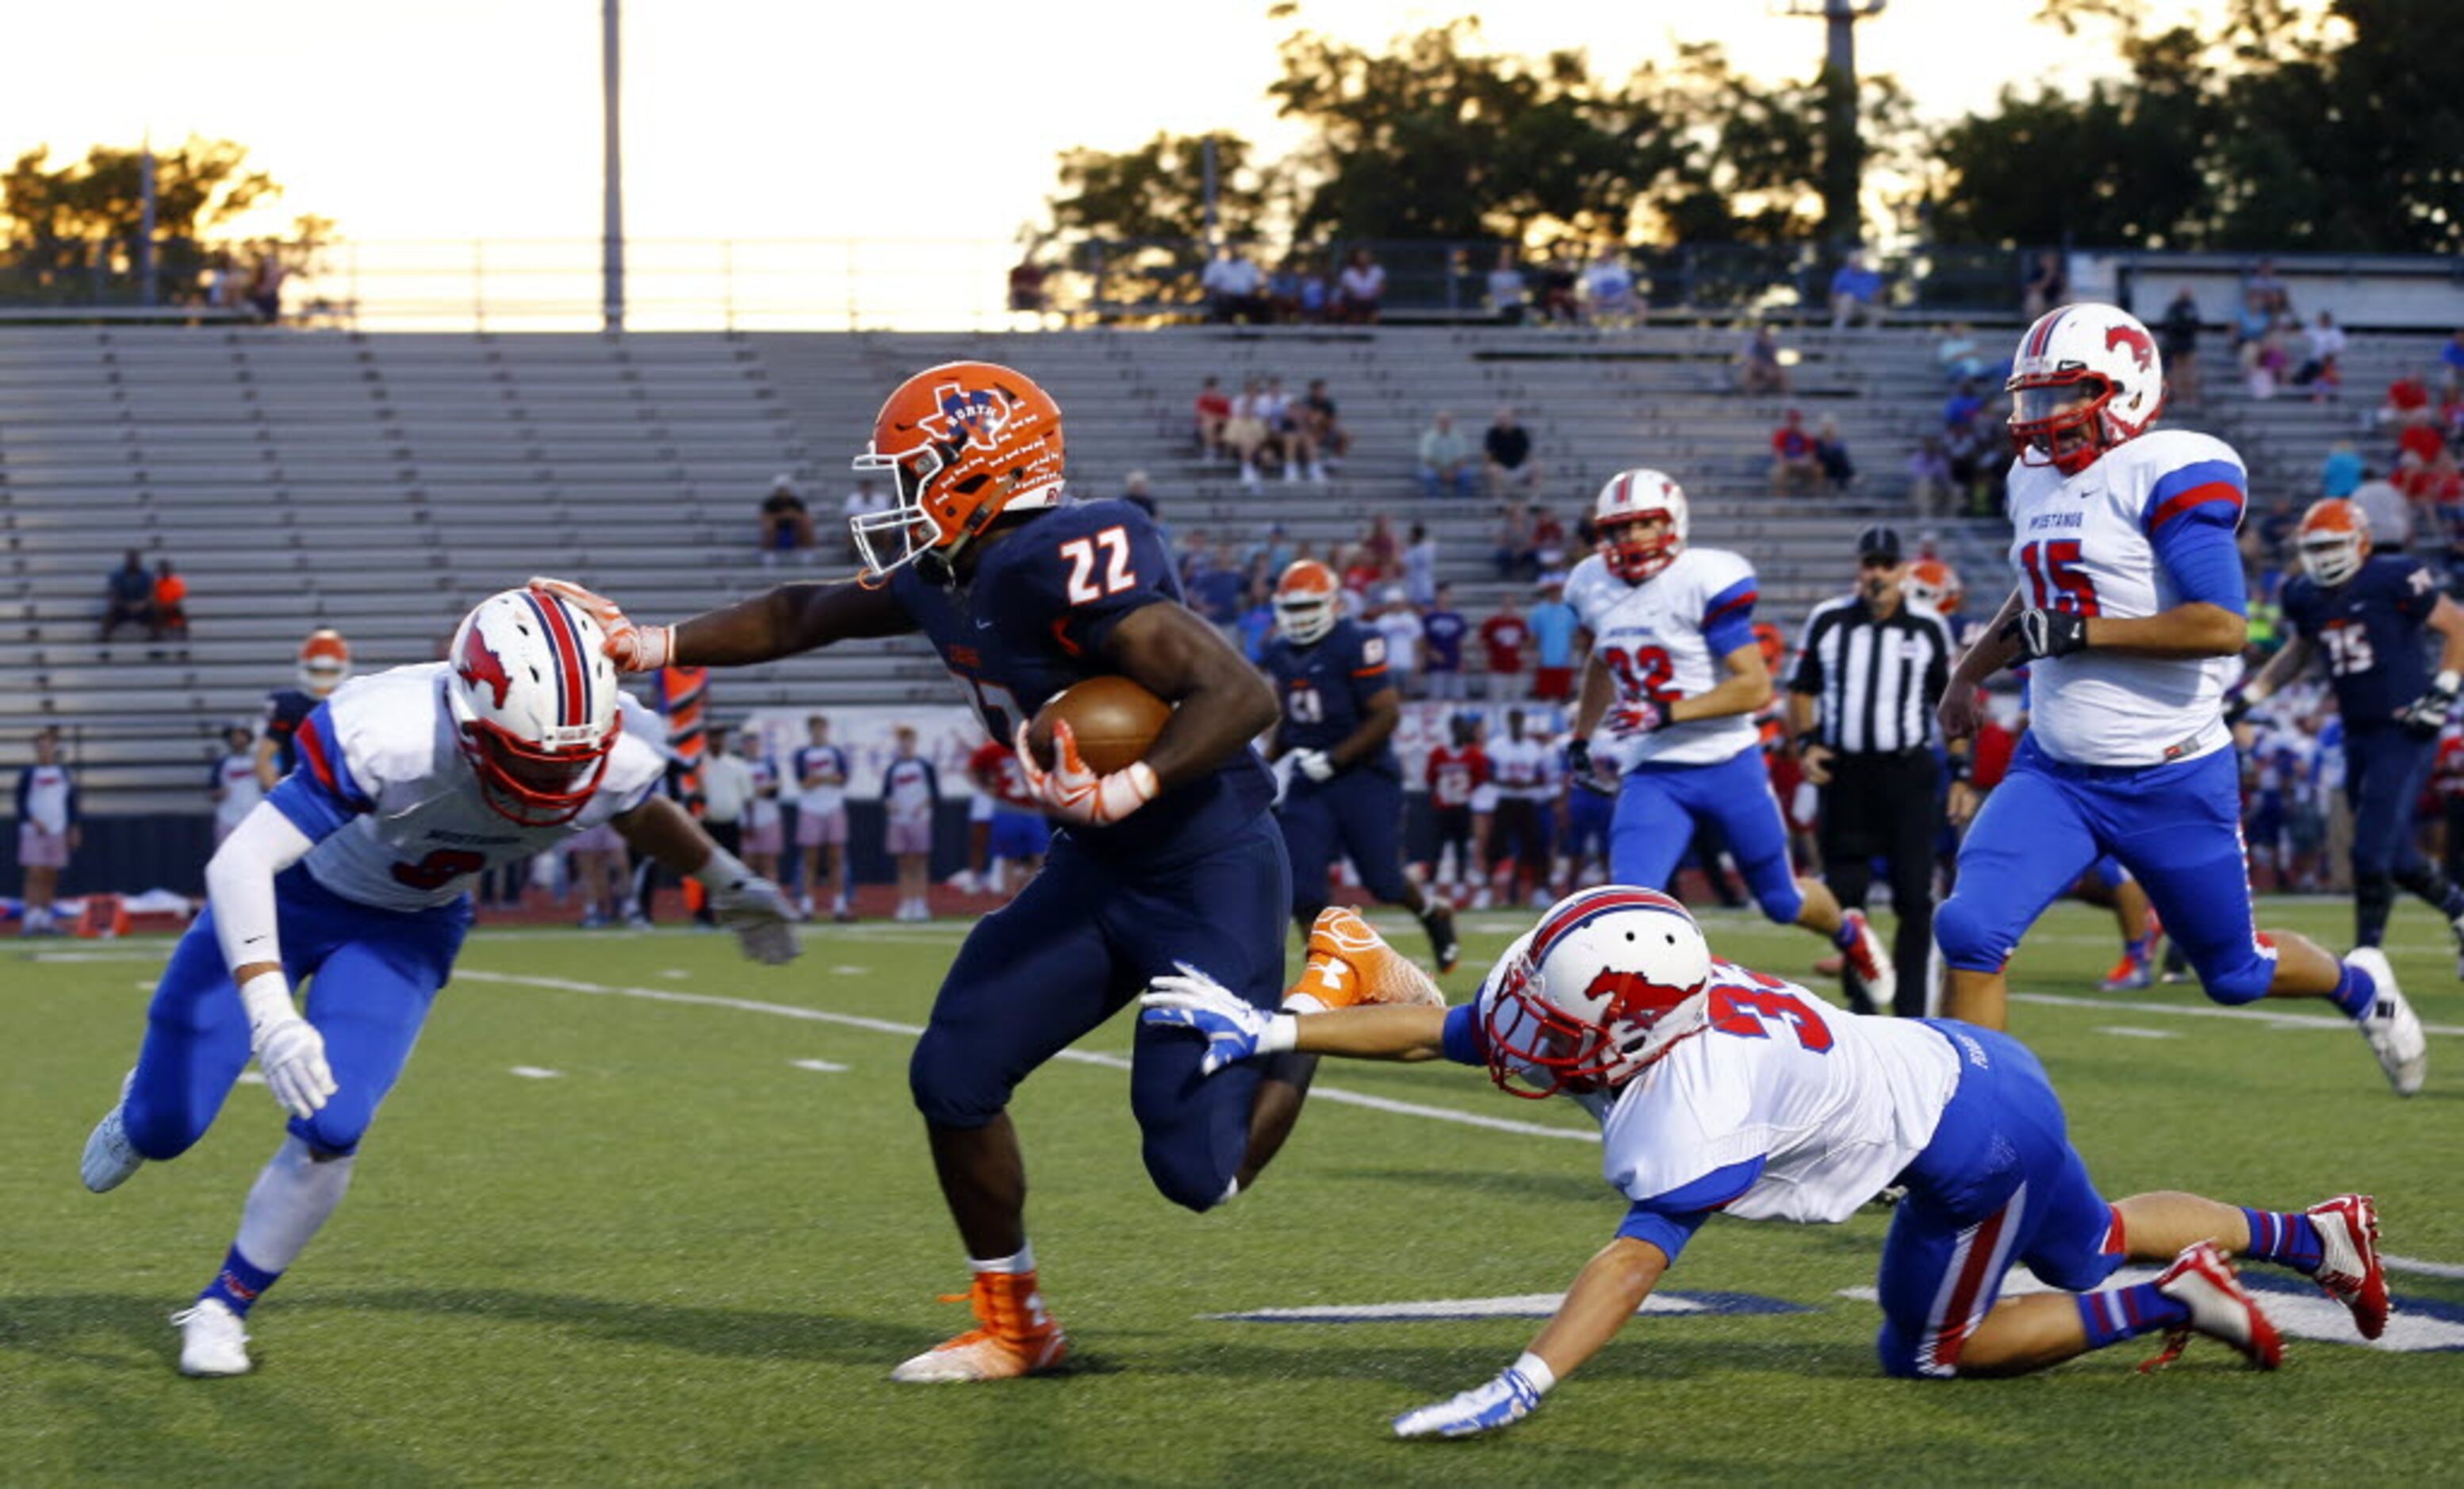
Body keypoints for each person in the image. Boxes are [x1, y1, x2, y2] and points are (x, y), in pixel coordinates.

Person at [538, 360, 1412, 1384]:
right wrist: (643, 642)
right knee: (952, 1075)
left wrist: (1131, 785)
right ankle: (1015, 1321)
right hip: (1094, 871)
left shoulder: (1064, 554)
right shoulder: (950, 570)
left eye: (914, 471)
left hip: (1205, 867)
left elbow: (1240, 693)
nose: (898, 496)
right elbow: (798, 614)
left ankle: (1333, 972)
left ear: (983, 467)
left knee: (1200, 1173)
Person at [1138, 888, 2393, 1437]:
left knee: (1928, 1349)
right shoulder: (1658, 1000)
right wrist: (1278, 1026)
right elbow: (1454, 1027)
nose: (1520, 1028)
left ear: (1630, 1026)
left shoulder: (1691, 1097)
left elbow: (1632, 1260)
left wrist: (1523, 1378)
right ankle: (2313, 1235)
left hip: (1964, 1141)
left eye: (1557, 1020)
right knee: (2096, 1226)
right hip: (1964, 1063)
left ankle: (2169, 1299)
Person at [77, 586, 797, 1376]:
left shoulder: (611, 748)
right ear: (470, 716)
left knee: (336, 1122)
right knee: (166, 1127)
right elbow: (242, 861)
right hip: (291, 898)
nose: (550, 783)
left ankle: (224, 1303)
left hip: (407, 924)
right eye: (528, 759)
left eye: (566, 762)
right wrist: (272, 1016)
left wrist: (728, 880)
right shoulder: (388, 731)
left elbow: (634, 807)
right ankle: (142, 1105)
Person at [1933, 304, 2427, 1097]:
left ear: (2126, 390)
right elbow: (2036, 595)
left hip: (2170, 777)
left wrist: (2079, 633)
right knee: (1968, 928)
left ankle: (2358, 986)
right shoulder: (2031, 478)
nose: (2044, 418)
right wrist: (1968, 672)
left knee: (2231, 974)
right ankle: (1972, 1136)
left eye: (2067, 394)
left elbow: (2219, 624)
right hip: (2055, 771)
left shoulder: (2165, 468)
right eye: (2034, 398)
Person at [1565, 469, 1897, 1008]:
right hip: (1653, 772)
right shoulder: (1590, 584)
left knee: (1780, 901)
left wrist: (1666, 712)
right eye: (1620, 529)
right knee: (1630, 903)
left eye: (1645, 525)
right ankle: (1641, 1022)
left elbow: (1755, 687)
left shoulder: (1702, 578)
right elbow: (1601, 660)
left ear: (1672, 523)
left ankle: (1848, 932)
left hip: (1727, 762)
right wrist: (1581, 736)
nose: (1632, 540)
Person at [2236, 498, 2464, 970]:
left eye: (2333, 544)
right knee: (2395, 855)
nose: (2323, 555)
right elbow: (2300, 650)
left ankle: (2366, 957)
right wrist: (2252, 695)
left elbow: (2457, 627)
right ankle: (2459, 911)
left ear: (2359, 542)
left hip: (2406, 726)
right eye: (2315, 546)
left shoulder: (2392, 576)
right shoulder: (2302, 593)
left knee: (2369, 849)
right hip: (2357, 731)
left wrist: (2441, 694)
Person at [1787, 526, 1960, 1016]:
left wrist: (1962, 769)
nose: (1878, 574)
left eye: (1887, 564)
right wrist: (1807, 744)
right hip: (1846, 776)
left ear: (1903, 570)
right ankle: (1861, 1005)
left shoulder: (1927, 626)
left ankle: (1910, 1013)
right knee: (1845, 897)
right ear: (1859, 569)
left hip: (1907, 773)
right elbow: (1802, 688)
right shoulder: (1829, 621)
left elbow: (1950, 700)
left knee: (1913, 896)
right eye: (1870, 564)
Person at [1262, 560, 1460, 972]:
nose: (1299, 619)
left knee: (1383, 881)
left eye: (1307, 608)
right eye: (1292, 610)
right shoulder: (1280, 652)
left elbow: (1386, 715)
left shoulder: (1357, 640)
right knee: (1302, 886)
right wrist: (1262, 766)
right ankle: (1325, 969)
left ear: (1332, 604)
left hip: (1363, 775)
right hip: (1310, 777)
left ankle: (1433, 913)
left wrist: (1337, 758)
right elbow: (1290, 717)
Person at [255, 630, 352, 790]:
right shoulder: (288, 705)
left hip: (346, 796)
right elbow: (263, 759)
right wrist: (282, 799)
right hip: (302, 791)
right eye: (317, 670)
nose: (324, 676)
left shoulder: (352, 702)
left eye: (330, 671)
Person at [15, 727, 78, 936]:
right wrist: (33, 820)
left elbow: (70, 802)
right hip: (34, 830)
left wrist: (73, 827)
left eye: (48, 746)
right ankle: (31, 917)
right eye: (40, 747)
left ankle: (45, 915)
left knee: (51, 873)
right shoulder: (29, 774)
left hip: (57, 829)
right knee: (35, 872)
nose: (44, 750)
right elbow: (21, 802)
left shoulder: (63, 773)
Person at [791, 714, 853, 922]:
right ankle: (807, 906)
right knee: (811, 860)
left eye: (821, 728)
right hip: (811, 808)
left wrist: (819, 778)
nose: (818, 732)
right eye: (815, 728)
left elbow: (842, 778)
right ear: (810, 731)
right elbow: (804, 782)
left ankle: (840, 905)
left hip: (833, 806)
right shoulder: (802, 753)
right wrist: (826, 778)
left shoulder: (835, 752)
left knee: (836, 858)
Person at [1423, 712, 1489, 899]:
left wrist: (1464, 794)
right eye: (1457, 727)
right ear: (1451, 730)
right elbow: (1430, 778)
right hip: (1443, 807)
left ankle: (1459, 881)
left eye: (1463, 728)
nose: (1460, 732)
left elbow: (1479, 778)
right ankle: (1430, 883)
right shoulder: (1438, 754)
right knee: (1436, 848)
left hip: (1461, 806)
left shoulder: (1474, 755)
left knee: (1462, 847)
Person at [883, 724, 940, 922]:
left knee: (920, 862)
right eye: (902, 741)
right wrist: (891, 806)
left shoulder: (924, 766)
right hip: (899, 821)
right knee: (904, 863)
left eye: (909, 740)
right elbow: (886, 795)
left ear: (914, 742)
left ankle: (920, 903)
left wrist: (922, 807)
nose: (905, 745)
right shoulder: (893, 768)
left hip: (920, 820)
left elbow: (934, 794)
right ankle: (906, 903)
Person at [736, 727, 785, 886]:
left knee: (769, 863)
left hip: (768, 818)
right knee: (747, 864)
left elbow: (776, 788)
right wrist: (758, 790)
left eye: (754, 741)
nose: (751, 745)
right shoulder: (738, 766)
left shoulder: (768, 763)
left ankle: (772, 902)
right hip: (746, 820)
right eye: (747, 742)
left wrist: (759, 790)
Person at [1527, 576, 1581, 702]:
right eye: (1552, 591)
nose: (1555, 593)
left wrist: (1576, 654)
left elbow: (1576, 633)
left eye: (1558, 590)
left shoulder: (1569, 611)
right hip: (1545, 661)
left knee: (1563, 697)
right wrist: (1531, 654)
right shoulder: (1539, 612)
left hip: (1564, 660)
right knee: (1545, 697)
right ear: (1548, 592)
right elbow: (1533, 636)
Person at [209, 725, 262, 849]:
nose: (237, 740)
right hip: (228, 819)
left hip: (254, 818)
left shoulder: (259, 762)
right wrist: (219, 793)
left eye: (241, 736)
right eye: (233, 737)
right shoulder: (221, 764)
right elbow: (212, 792)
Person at [1478, 591, 1531, 700]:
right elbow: (1481, 641)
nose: (1508, 607)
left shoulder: (1519, 623)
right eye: (1506, 604)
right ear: (1501, 606)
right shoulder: (1492, 623)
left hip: (1515, 668)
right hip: (1497, 668)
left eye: (1511, 605)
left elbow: (1527, 642)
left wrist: (1525, 658)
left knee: (1516, 700)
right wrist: (1484, 659)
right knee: (1497, 700)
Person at [1422, 583, 1469, 700]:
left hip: (1454, 661)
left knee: (1457, 699)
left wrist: (1462, 660)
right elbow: (1423, 641)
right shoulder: (1429, 618)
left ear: (1450, 596)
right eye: (1440, 595)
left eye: (1445, 595)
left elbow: (1460, 641)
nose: (1442, 598)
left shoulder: (1457, 617)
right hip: (1436, 664)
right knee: (1436, 700)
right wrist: (1431, 652)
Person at [1482, 407, 1542, 500]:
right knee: (1493, 469)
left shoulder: (1520, 433)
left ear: (1512, 418)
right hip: (1502, 470)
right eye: (1500, 419)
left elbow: (1528, 454)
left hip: (1519, 468)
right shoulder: (1492, 433)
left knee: (1538, 465)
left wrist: (1531, 467)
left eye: (1505, 418)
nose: (1503, 421)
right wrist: (1487, 468)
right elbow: (1488, 454)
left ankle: (1535, 500)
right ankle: (1499, 502)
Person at [758, 475, 818, 566]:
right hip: (777, 528)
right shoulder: (770, 503)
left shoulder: (796, 502)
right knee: (769, 526)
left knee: (806, 524)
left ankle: (807, 551)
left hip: (793, 527)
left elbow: (804, 516)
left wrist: (793, 516)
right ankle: (769, 553)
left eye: (785, 490)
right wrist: (781, 516)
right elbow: (764, 517)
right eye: (781, 490)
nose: (783, 492)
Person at [1416, 411, 1477, 499]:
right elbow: (1427, 459)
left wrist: (1452, 471)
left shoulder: (1458, 437)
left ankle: (1462, 504)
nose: (1444, 423)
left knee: (1466, 474)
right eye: (1441, 421)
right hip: (1433, 468)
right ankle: (1435, 506)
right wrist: (1442, 472)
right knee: (1429, 476)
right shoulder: (1429, 437)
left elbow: (1462, 459)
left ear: (1452, 422)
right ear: (1436, 422)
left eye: (1447, 421)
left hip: (1453, 469)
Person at [100, 549, 155, 645]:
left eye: (135, 560)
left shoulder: (147, 575)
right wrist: (125, 605)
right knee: (110, 613)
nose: (133, 562)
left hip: (142, 608)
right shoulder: (117, 575)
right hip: (123, 608)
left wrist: (142, 604)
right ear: (127, 561)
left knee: (156, 611)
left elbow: (152, 594)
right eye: (131, 560)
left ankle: (155, 640)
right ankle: (105, 641)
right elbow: (113, 594)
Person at [1829, 250, 1883, 328]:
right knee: (1848, 298)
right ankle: (1837, 335)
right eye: (1854, 262)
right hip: (1847, 307)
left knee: (1878, 312)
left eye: (1859, 261)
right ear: (1850, 263)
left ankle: (1868, 337)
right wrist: (1834, 306)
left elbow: (1879, 295)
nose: (1857, 264)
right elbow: (1833, 294)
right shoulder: (1843, 275)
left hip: (1867, 305)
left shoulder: (1872, 276)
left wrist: (1876, 301)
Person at [152, 558, 190, 656]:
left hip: (173, 610)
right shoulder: (156, 584)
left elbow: (178, 600)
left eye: (166, 569)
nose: (165, 571)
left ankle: (184, 647)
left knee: (181, 614)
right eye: (163, 569)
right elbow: (155, 600)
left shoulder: (177, 583)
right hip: (161, 611)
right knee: (155, 615)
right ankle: (158, 649)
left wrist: (169, 605)